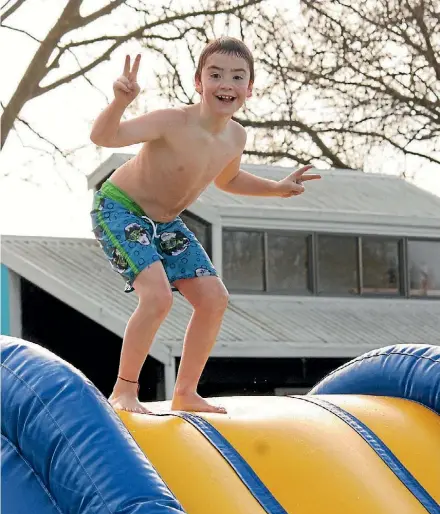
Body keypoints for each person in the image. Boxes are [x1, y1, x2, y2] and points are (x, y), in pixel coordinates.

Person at [90, 37, 321, 414]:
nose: (225, 84)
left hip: (166, 224)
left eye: (236, 76)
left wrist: (277, 189)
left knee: (214, 299)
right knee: (158, 296)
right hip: (120, 209)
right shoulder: (172, 121)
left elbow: (227, 180)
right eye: (215, 75)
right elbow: (103, 137)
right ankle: (124, 391)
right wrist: (120, 102)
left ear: (249, 88)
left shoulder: (235, 136)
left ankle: (185, 393)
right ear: (198, 82)